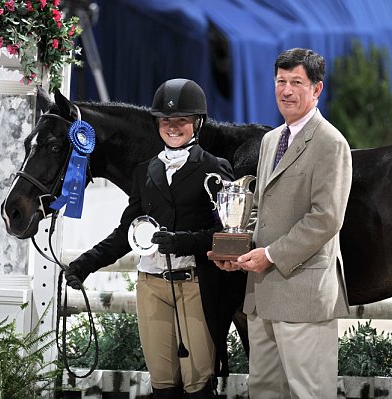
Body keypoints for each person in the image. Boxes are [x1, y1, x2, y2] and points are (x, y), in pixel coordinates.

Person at [64, 78, 247, 398]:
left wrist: (184, 242)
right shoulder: (144, 171)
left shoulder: (214, 168)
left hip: (194, 284)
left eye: (181, 121)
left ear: (197, 123)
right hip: (151, 285)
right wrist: (87, 263)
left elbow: (231, 238)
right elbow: (128, 231)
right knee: (162, 384)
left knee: (198, 384)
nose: (173, 127)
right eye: (166, 121)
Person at [211, 48, 353, 398]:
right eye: (280, 81)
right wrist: (240, 248)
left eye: (296, 83)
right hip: (262, 292)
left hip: (302, 293)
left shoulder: (331, 143)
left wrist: (270, 255)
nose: (286, 90)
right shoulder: (271, 140)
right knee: (263, 391)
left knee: (309, 393)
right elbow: (260, 208)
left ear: (317, 89)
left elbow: (326, 218)